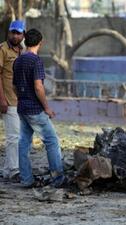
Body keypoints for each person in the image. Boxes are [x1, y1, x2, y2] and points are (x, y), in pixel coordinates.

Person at [13, 28, 64, 188]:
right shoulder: (36, 61)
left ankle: (26, 179)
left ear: (25, 41)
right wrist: (47, 108)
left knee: (23, 143)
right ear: (40, 43)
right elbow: (38, 87)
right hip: (35, 109)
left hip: (22, 108)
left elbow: (14, 86)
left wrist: (22, 98)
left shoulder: (18, 60)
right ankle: (58, 179)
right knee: (52, 141)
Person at [0, 20, 25, 181]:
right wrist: (2, 99)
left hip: (19, 100)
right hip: (7, 100)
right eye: (13, 32)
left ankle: (8, 170)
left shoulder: (23, 51)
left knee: (17, 136)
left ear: (23, 34)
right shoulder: (2, 49)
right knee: (13, 137)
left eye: (18, 33)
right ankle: (14, 170)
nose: (15, 36)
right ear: (9, 33)